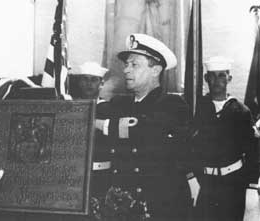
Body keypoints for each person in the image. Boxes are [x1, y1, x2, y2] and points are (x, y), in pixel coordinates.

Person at [93, 33, 191, 220]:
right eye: (126, 65)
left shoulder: (173, 105)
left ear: (156, 70)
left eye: (134, 65)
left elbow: (144, 130)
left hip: (160, 207)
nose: (126, 70)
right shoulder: (118, 104)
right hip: (121, 207)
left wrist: (98, 124)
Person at [189, 56, 259, 221]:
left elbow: (252, 151)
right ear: (206, 78)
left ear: (229, 78)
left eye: (222, 75)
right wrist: (191, 177)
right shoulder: (198, 107)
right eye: (212, 75)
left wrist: (251, 185)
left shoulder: (241, 111)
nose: (217, 80)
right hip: (204, 182)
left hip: (233, 183)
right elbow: (188, 145)